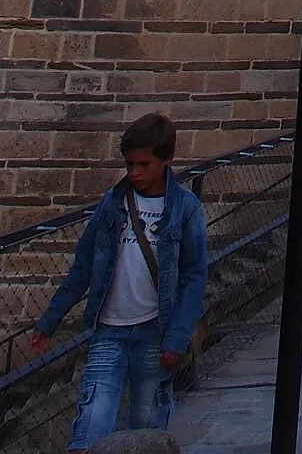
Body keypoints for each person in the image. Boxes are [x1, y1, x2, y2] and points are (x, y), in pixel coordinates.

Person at [30, 112, 208, 451]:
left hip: (156, 333)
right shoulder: (112, 205)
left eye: (144, 164)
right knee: (91, 424)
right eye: (129, 165)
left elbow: (194, 277)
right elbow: (83, 266)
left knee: (145, 427)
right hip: (108, 330)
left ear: (166, 160)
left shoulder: (185, 208)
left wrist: (177, 337)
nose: (135, 173)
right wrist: (50, 319)